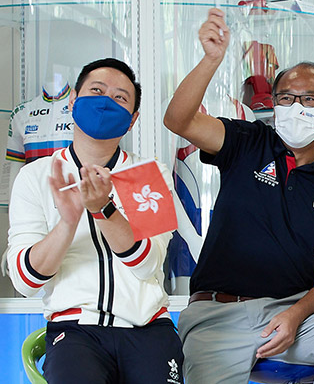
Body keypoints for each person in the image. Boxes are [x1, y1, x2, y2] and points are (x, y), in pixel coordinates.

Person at [163, 9, 314, 383]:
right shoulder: (248, 141)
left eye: (310, 100)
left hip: (290, 312)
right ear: (274, 105)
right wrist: (212, 59)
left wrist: (295, 316)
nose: (297, 107)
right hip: (217, 315)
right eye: (286, 98)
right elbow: (179, 120)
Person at [6, 58, 184, 383]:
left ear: (132, 120)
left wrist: (104, 210)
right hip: (75, 333)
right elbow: (24, 281)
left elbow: (148, 264)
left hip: (148, 330)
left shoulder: (150, 174)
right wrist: (67, 223)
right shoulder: (36, 176)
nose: (105, 102)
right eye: (97, 90)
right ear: (73, 101)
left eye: (120, 98)